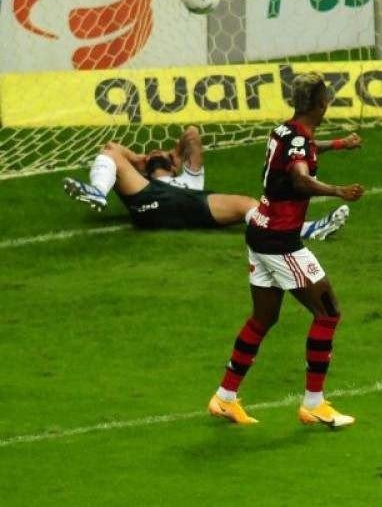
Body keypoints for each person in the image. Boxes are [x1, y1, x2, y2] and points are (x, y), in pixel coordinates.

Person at [208, 73, 364, 427]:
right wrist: (338, 191)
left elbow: (304, 149)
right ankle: (314, 404)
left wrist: (339, 145)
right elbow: (299, 178)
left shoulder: (285, 131)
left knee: (263, 318)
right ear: (321, 104)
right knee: (328, 312)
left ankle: (224, 397)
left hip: (259, 231)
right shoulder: (298, 142)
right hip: (281, 242)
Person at [62, 125, 360, 240]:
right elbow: (114, 147)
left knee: (248, 204)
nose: (157, 156)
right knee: (111, 152)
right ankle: (98, 192)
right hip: (149, 201)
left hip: (191, 203)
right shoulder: (141, 180)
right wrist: (143, 158)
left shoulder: (189, 178)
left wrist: (174, 154)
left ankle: (311, 230)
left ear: (176, 164)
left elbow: (191, 134)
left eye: (164, 157)